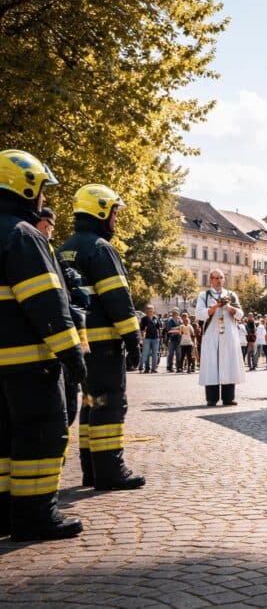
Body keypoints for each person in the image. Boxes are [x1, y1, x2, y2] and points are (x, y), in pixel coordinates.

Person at [0, 149, 87, 540]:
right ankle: (36, 516)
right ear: (26, 186)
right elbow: (47, 301)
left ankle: (5, 513)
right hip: (29, 363)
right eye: (41, 190)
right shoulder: (23, 234)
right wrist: (71, 353)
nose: (43, 199)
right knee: (43, 433)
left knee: (3, 438)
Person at [60, 183, 145, 491]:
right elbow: (118, 300)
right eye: (113, 213)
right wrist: (133, 340)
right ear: (100, 211)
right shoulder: (101, 249)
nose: (115, 219)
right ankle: (110, 470)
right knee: (109, 405)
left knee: (92, 403)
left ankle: (91, 470)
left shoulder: (64, 248)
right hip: (105, 344)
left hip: (79, 344)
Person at [36, 207, 90, 428]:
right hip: (49, 352)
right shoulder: (36, 249)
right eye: (50, 225)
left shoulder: (52, 252)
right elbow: (55, 306)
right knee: (62, 413)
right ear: (44, 223)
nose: (51, 230)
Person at [195, 270, 245, 406]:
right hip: (211, 333)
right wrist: (216, 306)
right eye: (216, 278)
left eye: (221, 278)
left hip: (228, 333)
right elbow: (199, 314)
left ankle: (228, 397)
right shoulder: (204, 295)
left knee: (229, 363)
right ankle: (212, 398)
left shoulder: (231, 295)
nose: (218, 280)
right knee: (211, 364)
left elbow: (240, 314)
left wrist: (228, 307)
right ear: (211, 279)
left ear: (224, 279)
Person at [139, 305, 161, 373]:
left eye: (151, 310)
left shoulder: (156, 318)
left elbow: (159, 328)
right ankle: (147, 368)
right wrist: (143, 338)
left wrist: (159, 337)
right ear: (146, 311)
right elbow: (142, 329)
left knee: (155, 354)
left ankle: (153, 369)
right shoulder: (144, 319)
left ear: (153, 310)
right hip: (147, 338)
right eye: (149, 310)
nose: (150, 311)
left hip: (155, 338)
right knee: (146, 353)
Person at [164, 308, 182, 372]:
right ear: (172, 314)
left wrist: (174, 330)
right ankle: (169, 367)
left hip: (179, 339)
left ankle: (178, 367)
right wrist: (177, 330)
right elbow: (169, 330)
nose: (175, 315)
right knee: (171, 354)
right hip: (171, 340)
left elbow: (181, 329)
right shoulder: (169, 321)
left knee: (178, 354)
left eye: (176, 313)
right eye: (174, 314)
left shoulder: (180, 321)